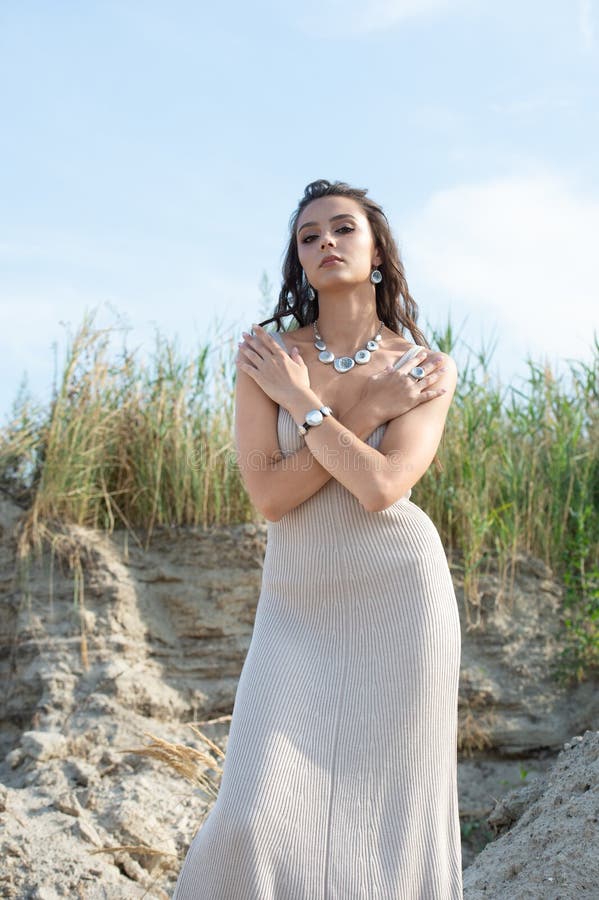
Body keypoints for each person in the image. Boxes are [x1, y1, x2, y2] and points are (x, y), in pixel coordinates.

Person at [172, 179, 462, 899]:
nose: (325, 243)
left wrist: (306, 410)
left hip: (399, 597)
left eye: (342, 229)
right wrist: (347, 406)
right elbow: (270, 496)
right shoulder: (268, 360)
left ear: (377, 252)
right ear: (299, 261)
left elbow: (379, 488)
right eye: (308, 236)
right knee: (252, 818)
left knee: (387, 827)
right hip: (295, 606)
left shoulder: (423, 368)